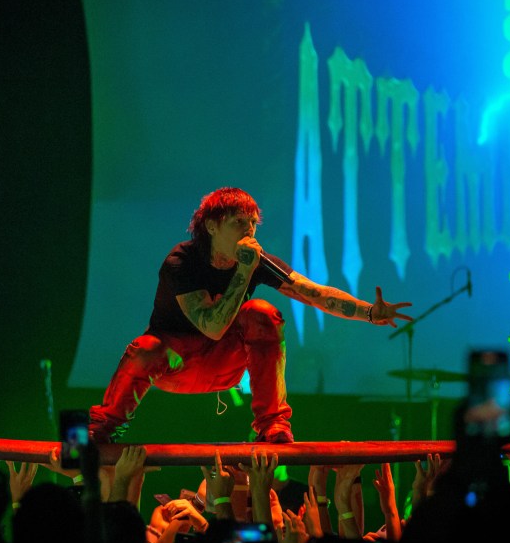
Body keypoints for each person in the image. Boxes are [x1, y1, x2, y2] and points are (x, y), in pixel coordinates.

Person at [88, 186, 414, 444]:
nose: (249, 232)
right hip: (176, 366)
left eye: (253, 224)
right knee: (145, 349)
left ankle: (273, 424)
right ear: (212, 226)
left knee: (261, 313)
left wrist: (369, 312)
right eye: (239, 223)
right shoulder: (181, 262)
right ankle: (100, 431)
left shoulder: (257, 260)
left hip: (224, 365)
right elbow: (212, 327)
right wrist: (244, 271)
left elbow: (313, 293)